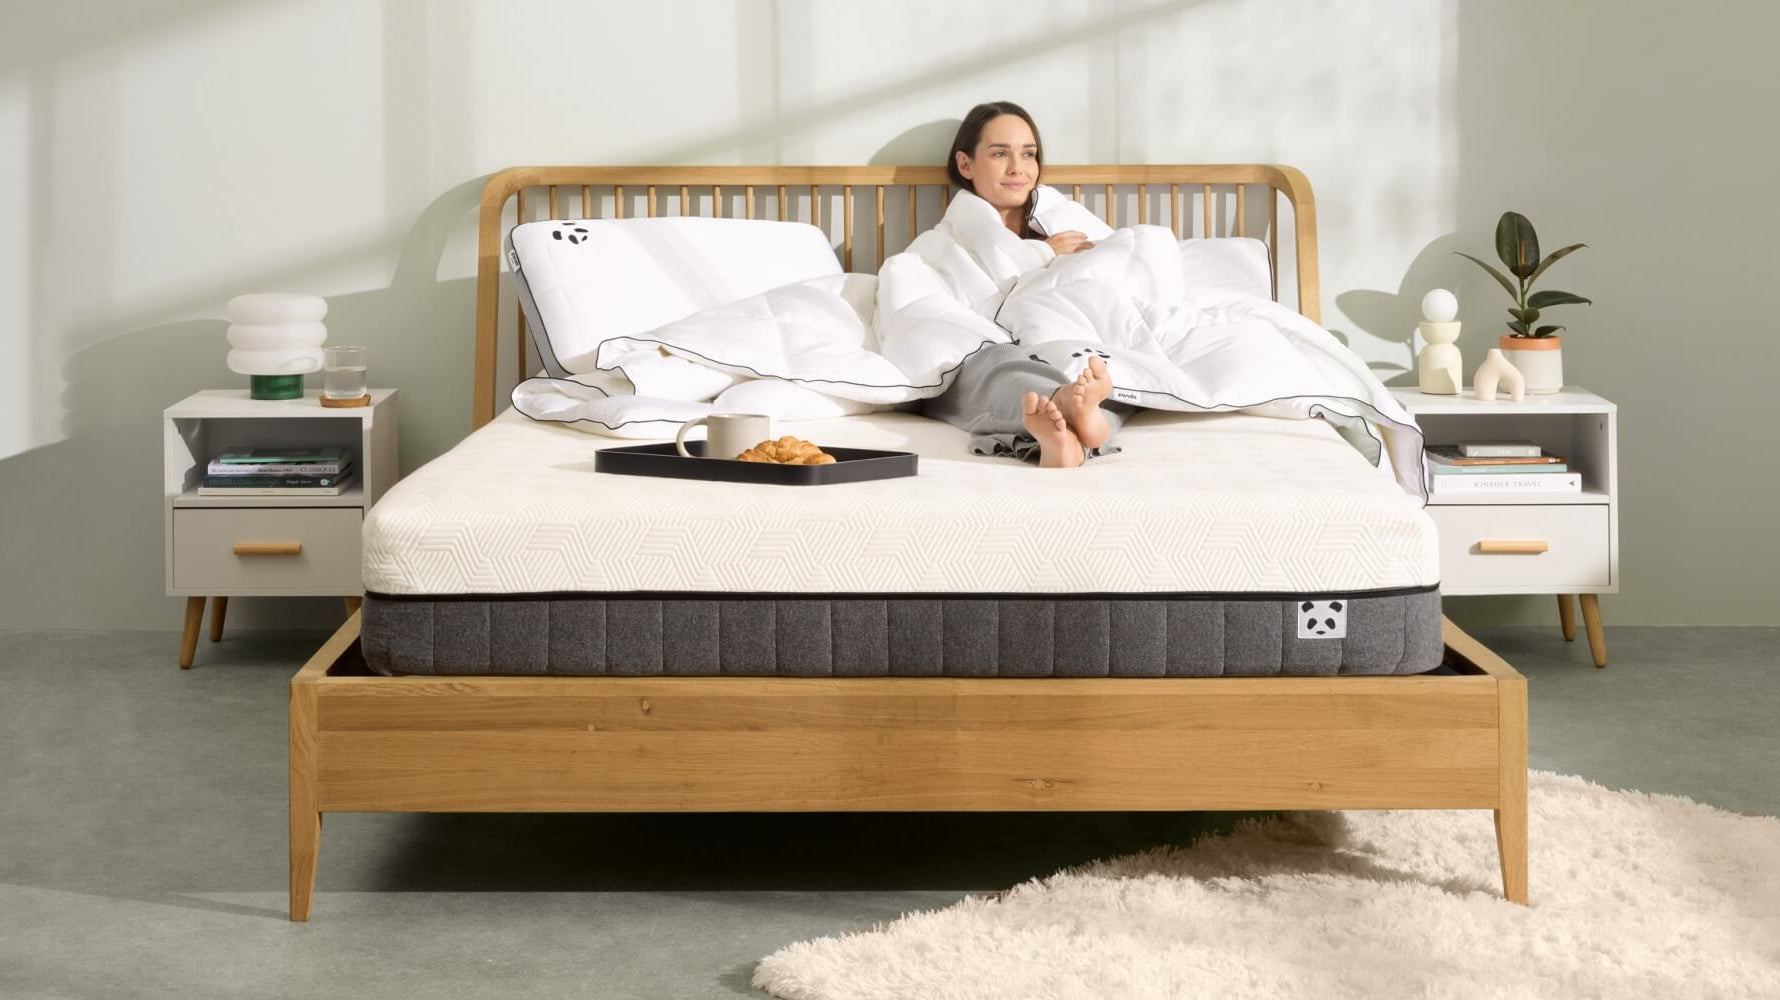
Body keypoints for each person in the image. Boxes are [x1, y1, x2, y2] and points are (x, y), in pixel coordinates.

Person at [920, 101, 1131, 467]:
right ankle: (1067, 412)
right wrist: (1041, 255)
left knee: (1106, 369)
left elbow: (1118, 281)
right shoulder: (940, 244)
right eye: (1000, 153)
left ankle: (1070, 432)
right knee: (999, 363)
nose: (1018, 168)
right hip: (991, 351)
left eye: (1028, 154)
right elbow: (923, 311)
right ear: (965, 164)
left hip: (1060, 340)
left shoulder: (1072, 226)